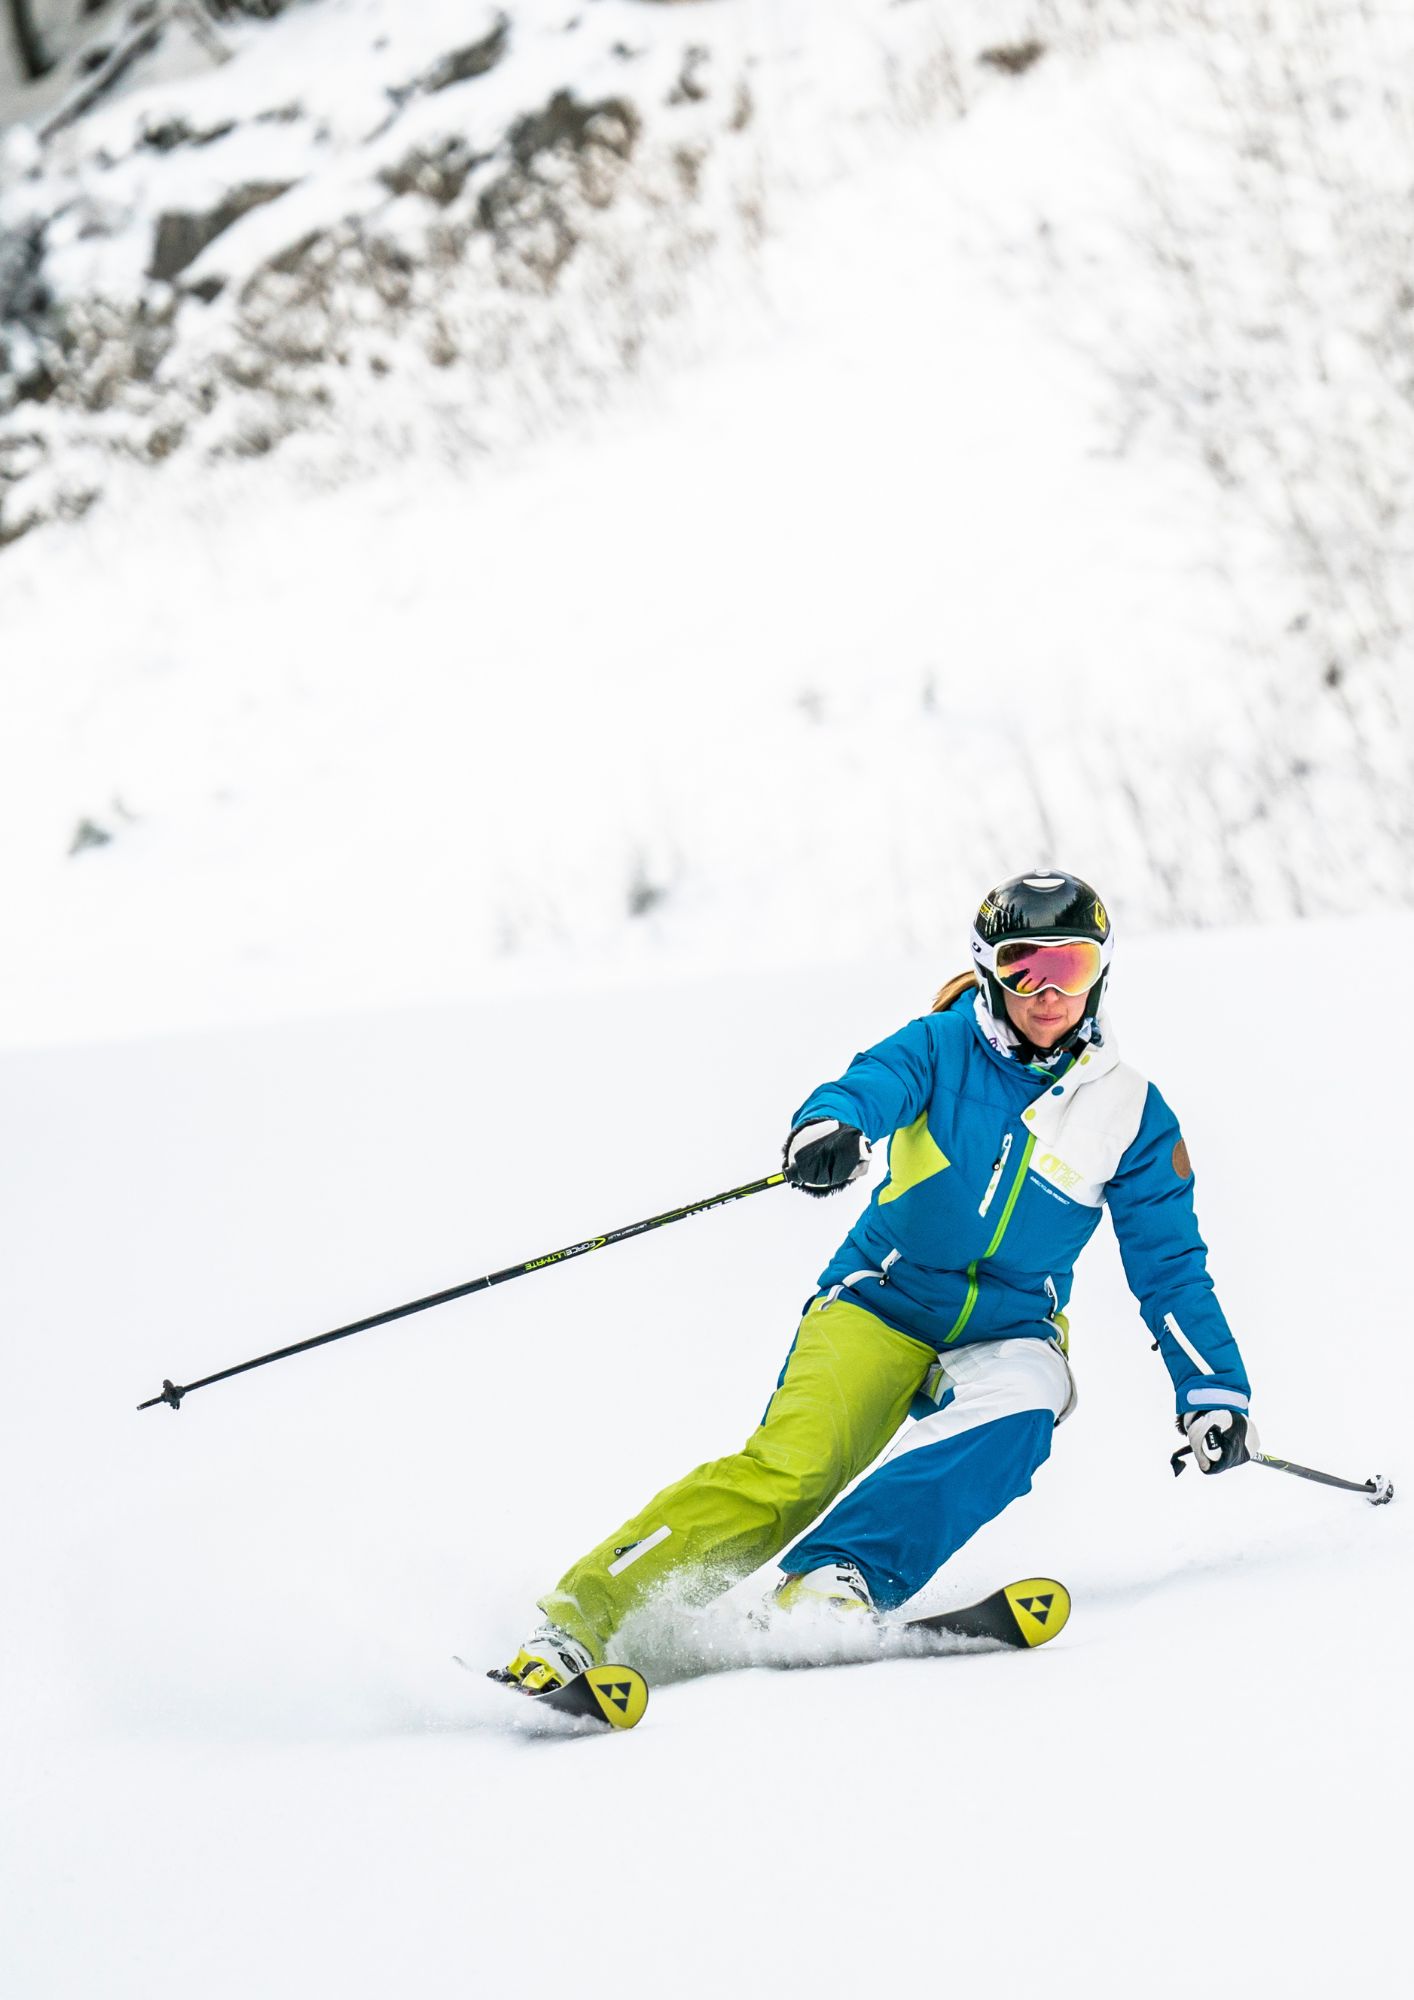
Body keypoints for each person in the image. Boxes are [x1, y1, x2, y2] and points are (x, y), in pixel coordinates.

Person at [498, 869, 1254, 1690]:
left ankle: (835, 1578)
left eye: (1068, 969)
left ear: (1100, 973)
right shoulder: (939, 1046)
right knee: (795, 1471)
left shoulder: (1131, 1112)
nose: (1046, 994)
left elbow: (1170, 1267)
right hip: (879, 1301)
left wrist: (1213, 1389)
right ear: (988, 970)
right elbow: (869, 1085)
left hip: (1007, 1327)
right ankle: (579, 1620)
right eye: (1021, 967)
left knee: (1030, 1404)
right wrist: (833, 1126)